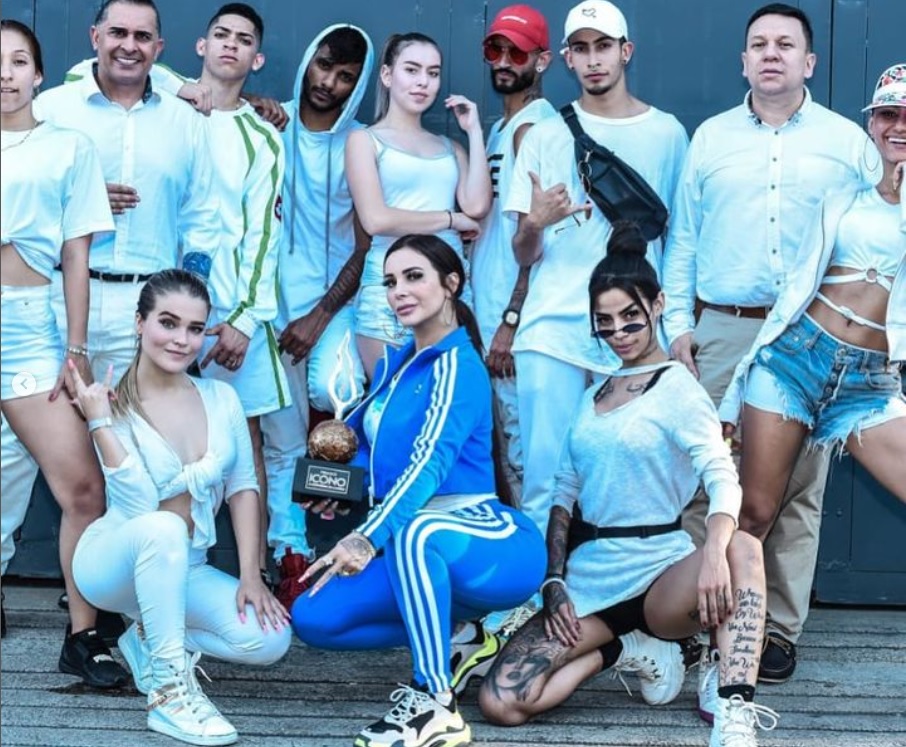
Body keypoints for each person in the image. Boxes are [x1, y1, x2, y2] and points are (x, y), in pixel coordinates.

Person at [479, 221, 778, 747]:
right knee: (502, 701)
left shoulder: (679, 389)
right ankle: (628, 649)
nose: (619, 333)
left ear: (657, 306)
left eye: (630, 318)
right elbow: (564, 492)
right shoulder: (593, 393)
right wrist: (554, 580)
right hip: (592, 580)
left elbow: (721, 475)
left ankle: (734, 706)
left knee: (744, 550)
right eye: (606, 323)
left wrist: (714, 553)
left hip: (663, 576)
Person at [661, 3, 880, 697]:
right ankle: (698, 616)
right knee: (707, 475)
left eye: (786, 44)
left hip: (812, 333)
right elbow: (684, 239)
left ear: (809, 62)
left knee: (798, 486)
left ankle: (776, 628)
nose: (771, 53)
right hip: (724, 327)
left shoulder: (849, 143)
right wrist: (678, 327)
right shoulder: (711, 139)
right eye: (759, 44)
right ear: (743, 60)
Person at [0, 0, 221, 613]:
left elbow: (204, 218)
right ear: (94, 36)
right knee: (14, 455)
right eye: (116, 32)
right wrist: (87, 200)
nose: (129, 45)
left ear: (160, 47)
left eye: (143, 36)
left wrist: (186, 304)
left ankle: (123, 601)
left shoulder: (185, 118)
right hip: (54, 299)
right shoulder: (54, 107)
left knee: (137, 453)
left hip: (143, 310)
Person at [292, 235, 545, 747]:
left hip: (490, 541)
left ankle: (436, 703)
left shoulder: (457, 365)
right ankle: (460, 637)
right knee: (315, 617)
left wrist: (366, 537)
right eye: (390, 282)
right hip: (419, 541)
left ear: (451, 283)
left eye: (414, 277)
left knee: (416, 531)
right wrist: (339, 487)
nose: (399, 292)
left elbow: (428, 464)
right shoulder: (396, 365)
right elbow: (369, 451)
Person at [504, 0, 687, 611]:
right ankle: (531, 608)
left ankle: (623, 613)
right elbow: (523, 252)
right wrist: (535, 221)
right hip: (553, 328)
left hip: (632, 331)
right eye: (580, 49)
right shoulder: (542, 133)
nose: (592, 60)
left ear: (625, 51)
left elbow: (678, 239)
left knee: (630, 483)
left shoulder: (667, 133)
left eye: (602, 46)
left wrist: (673, 326)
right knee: (544, 478)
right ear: (565, 58)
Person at [69, 269, 291, 746]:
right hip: (112, 562)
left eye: (195, 328)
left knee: (270, 638)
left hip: (186, 566)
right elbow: (139, 504)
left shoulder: (221, 397)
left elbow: (244, 486)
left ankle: (147, 637)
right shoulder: (114, 403)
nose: (181, 340)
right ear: (139, 323)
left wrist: (251, 575)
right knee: (165, 526)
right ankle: (168, 692)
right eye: (168, 323)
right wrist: (99, 424)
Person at [719, 60, 905, 614]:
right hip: (796, 360)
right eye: (888, 114)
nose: (899, 126)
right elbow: (794, 293)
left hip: (868, 384)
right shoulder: (844, 198)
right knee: (755, 513)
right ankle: (725, 642)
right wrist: (735, 389)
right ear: (871, 124)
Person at [0, 17, 128, 686]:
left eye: (18, 61)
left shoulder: (67, 147)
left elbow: (76, 254)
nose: (5, 73)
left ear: (40, 74)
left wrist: (74, 346)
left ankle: (83, 636)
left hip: (26, 328)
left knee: (82, 487)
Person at [260, 24, 374, 610]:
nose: (329, 82)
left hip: (335, 307)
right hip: (270, 307)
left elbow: (367, 244)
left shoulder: (361, 143)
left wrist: (320, 315)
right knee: (280, 438)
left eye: (345, 76)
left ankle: (351, 524)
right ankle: (290, 554)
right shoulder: (267, 122)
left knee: (337, 395)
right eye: (324, 65)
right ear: (308, 59)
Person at [348, 32, 492, 378]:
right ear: (387, 75)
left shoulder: (450, 146)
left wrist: (474, 131)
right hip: (390, 285)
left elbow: (477, 206)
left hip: (446, 286)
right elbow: (376, 219)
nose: (423, 82)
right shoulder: (364, 140)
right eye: (412, 70)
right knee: (393, 397)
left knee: (450, 391)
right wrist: (450, 220)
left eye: (433, 73)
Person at [470, 3, 555, 507]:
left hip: (513, 317)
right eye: (495, 50)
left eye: (517, 53)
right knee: (505, 441)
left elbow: (536, 233)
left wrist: (511, 318)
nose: (503, 61)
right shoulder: (504, 127)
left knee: (522, 448)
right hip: (490, 306)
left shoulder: (535, 128)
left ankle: (537, 553)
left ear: (542, 61)